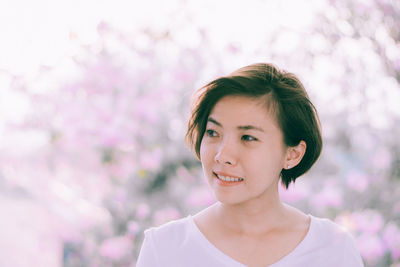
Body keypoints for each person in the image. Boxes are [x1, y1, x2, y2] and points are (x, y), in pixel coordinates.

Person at [136, 63, 364, 267]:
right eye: (213, 132)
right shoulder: (164, 249)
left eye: (248, 138)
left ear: (292, 154)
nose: (223, 155)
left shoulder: (333, 249)